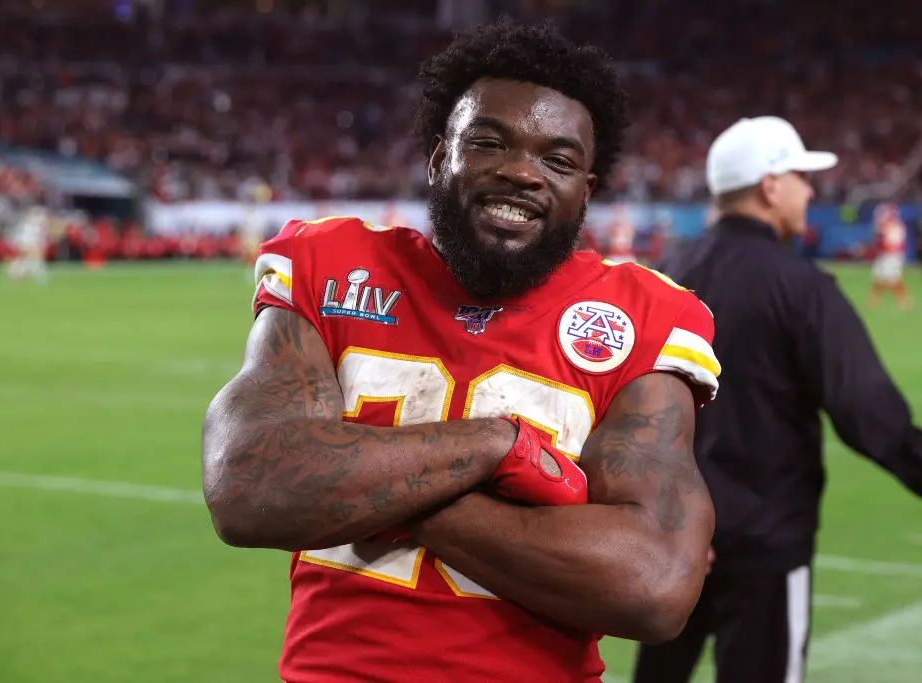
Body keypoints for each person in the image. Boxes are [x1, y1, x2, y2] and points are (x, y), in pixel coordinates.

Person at [202, 19, 721, 683]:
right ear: (437, 155)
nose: (520, 172)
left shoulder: (642, 315)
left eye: (557, 161)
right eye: (488, 142)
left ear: (585, 192)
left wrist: (379, 485)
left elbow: (653, 582)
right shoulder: (332, 267)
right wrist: (496, 446)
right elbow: (249, 485)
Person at [633, 115, 922, 683]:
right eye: (801, 175)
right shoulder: (800, 287)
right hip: (764, 544)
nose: (811, 190)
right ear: (770, 185)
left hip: (671, 538)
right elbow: (869, 416)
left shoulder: (660, 278)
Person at [867, 202, 912, 310]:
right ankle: (874, 300)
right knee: (879, 277)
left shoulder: (896, 227)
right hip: (884, 255)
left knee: (893, 279)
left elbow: (892, 245)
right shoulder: (885, 226)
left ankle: (904, 300)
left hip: (892, 256)